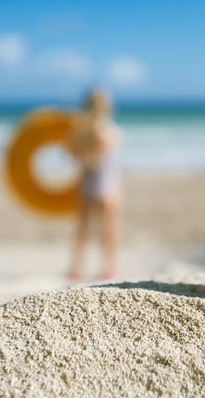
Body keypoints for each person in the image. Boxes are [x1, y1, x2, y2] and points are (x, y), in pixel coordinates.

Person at [66, 89, 122, 282]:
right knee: (104, 228)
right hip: (105, 181)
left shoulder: (86, 131)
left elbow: (79, 155)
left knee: (88, 227)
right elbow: (105, 155)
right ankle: (107, 267)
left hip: (93, 180)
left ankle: (79, 268)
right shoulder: (106, 129)